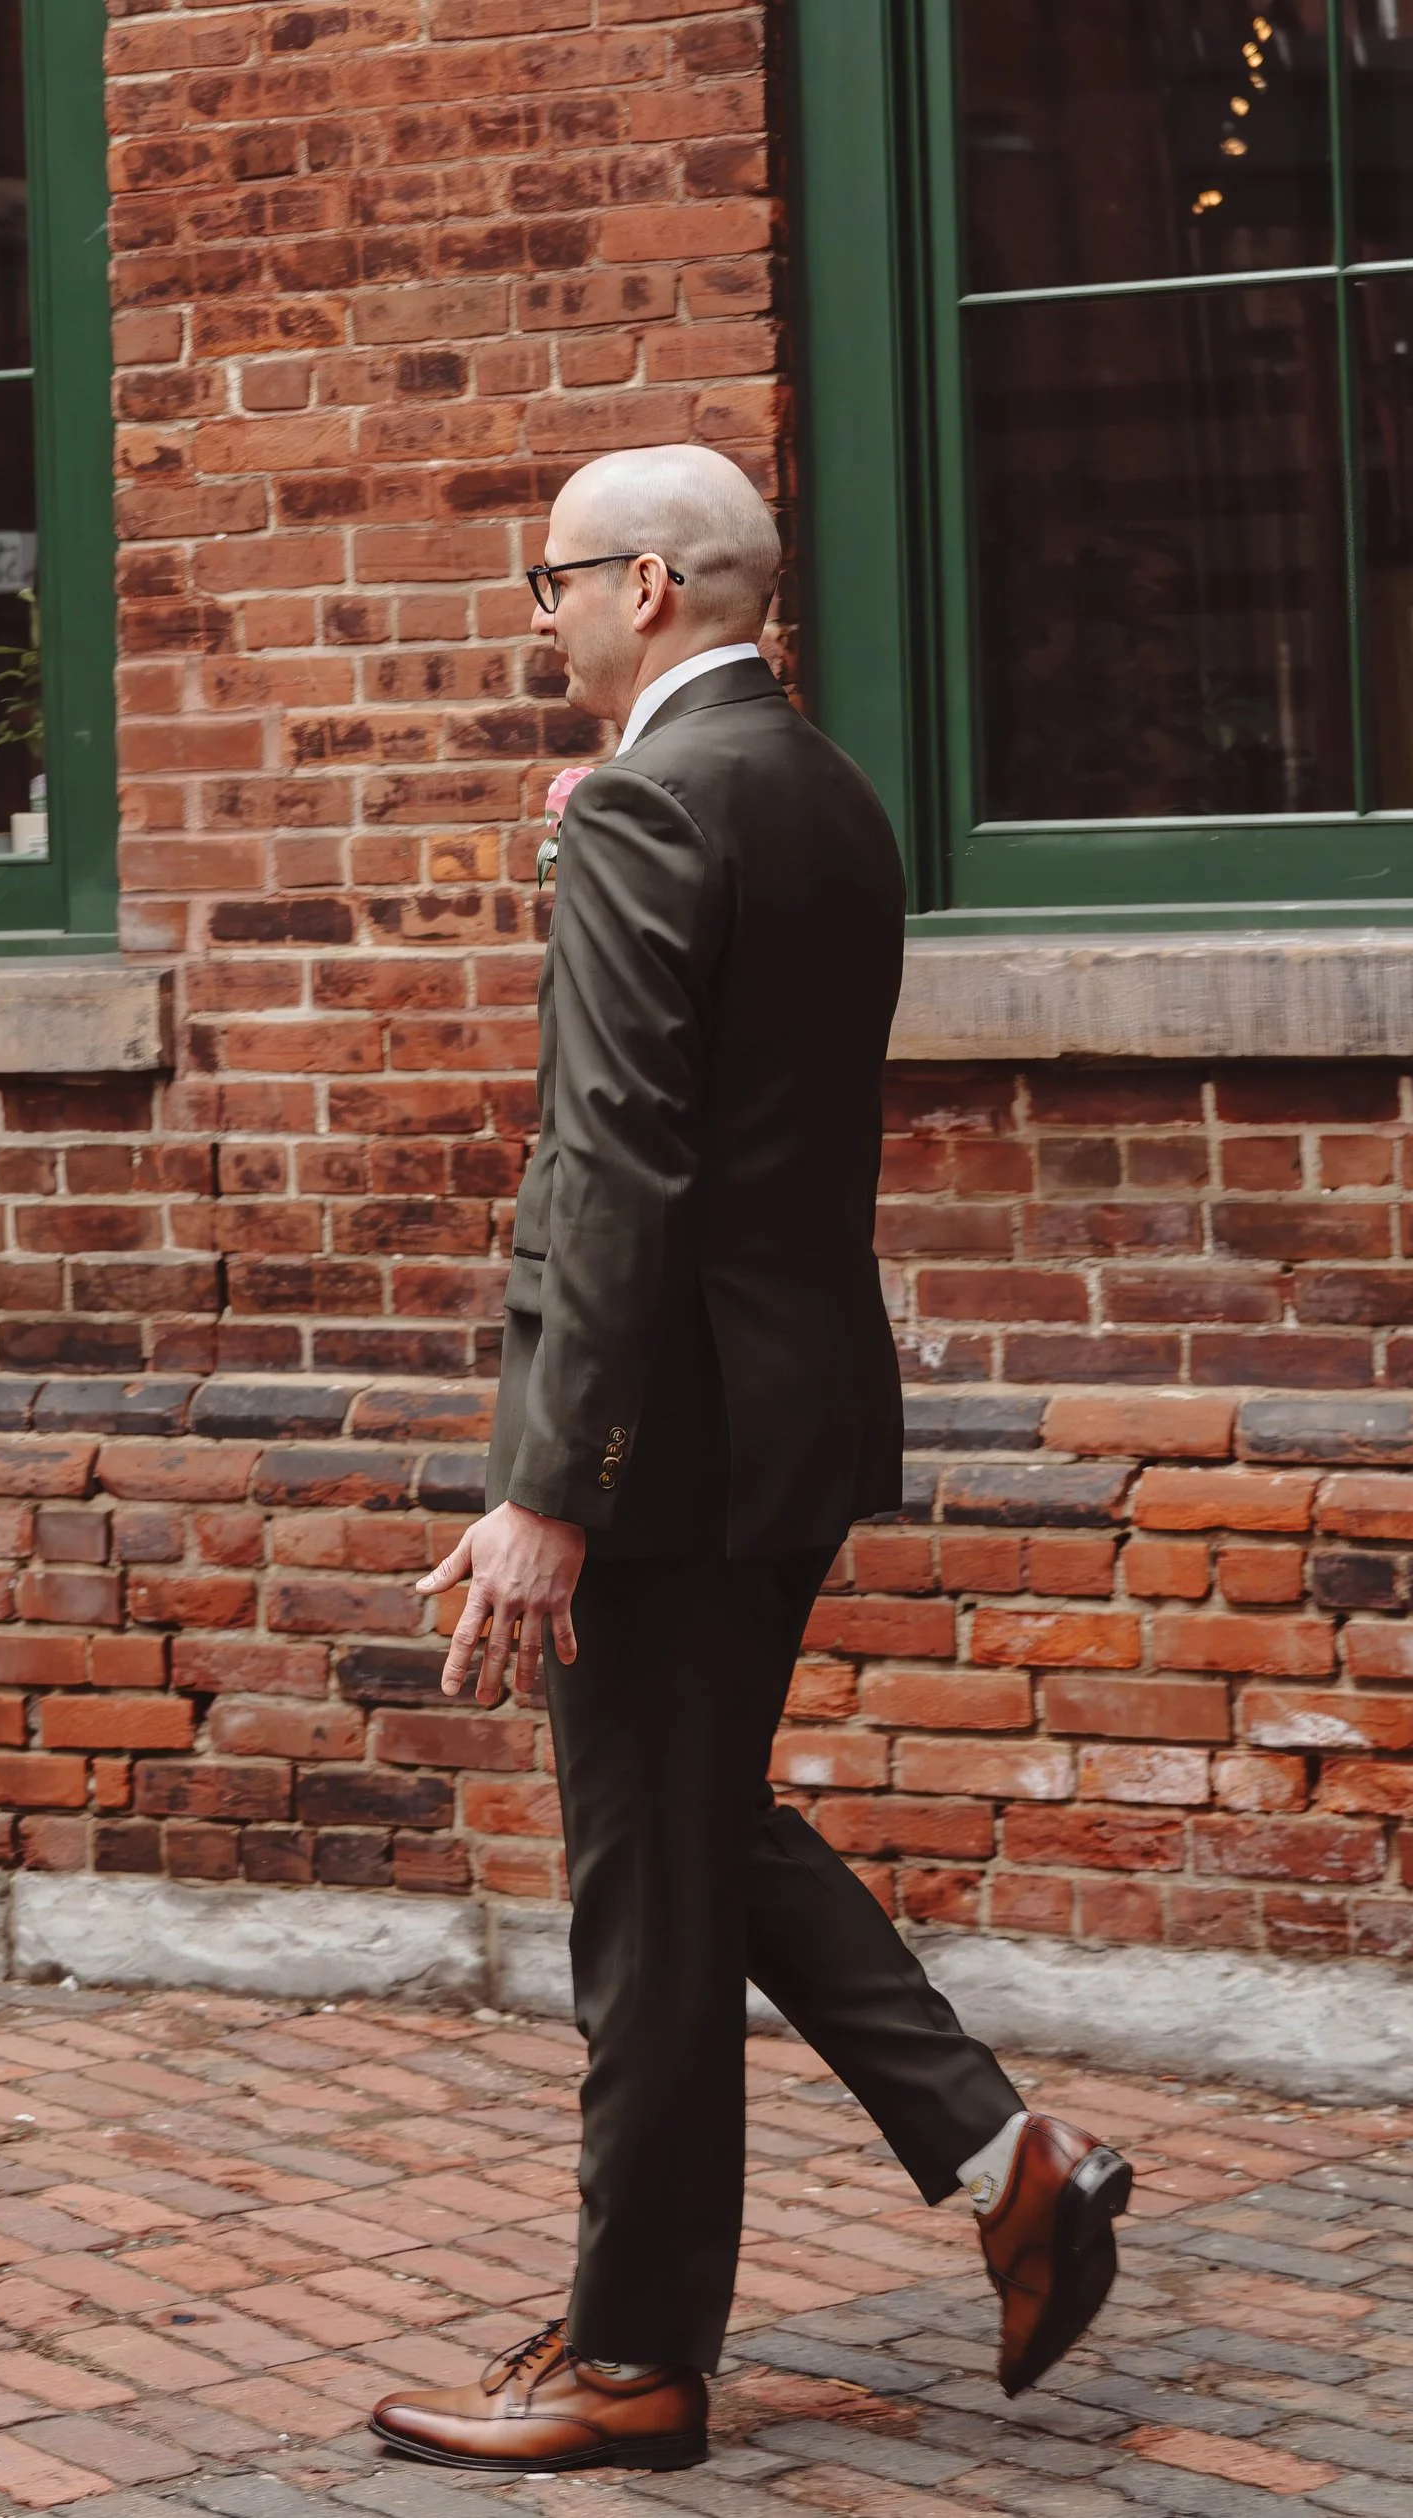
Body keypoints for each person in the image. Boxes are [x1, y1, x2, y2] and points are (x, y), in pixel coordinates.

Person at [369, 443, 1131, 2478]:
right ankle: (1006, 2162)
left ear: (640, 586)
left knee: (643, 1901)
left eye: (548, 583)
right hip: (786, 1410)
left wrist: (549, 1486)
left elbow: (621, 1161)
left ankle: (633, 2365)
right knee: (702, 1835)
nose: (535, 619)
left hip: (665, 1439)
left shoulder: (642, 804)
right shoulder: (824, 792)